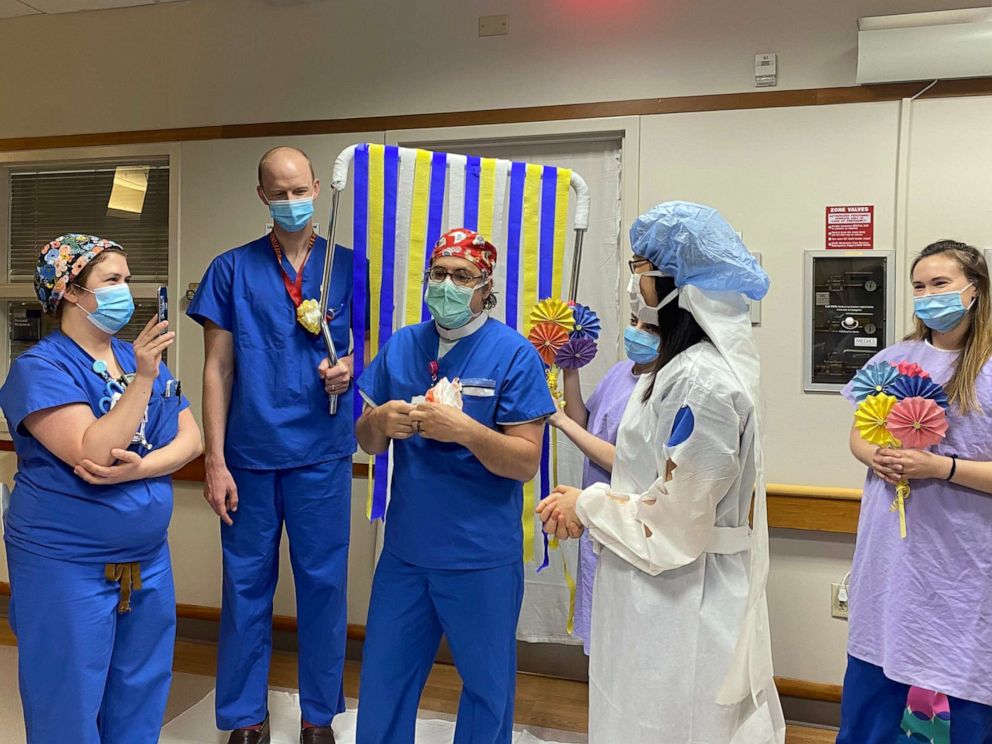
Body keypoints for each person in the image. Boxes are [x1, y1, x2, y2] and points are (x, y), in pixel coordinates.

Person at [537, 201, 785, 743]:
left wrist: (586, 505)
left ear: (678, 280)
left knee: (672, 724)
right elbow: (649, 480)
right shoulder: (670, 374)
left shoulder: (704, 383)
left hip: (684, 600)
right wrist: (597, 511)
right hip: (652, 590)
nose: (634, 283)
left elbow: (675, 521)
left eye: (641, 267)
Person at [354, 228, 556, 744]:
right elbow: (367, 441)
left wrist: (464, 430)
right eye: (438, 273)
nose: (447, 284)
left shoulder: (513, 354)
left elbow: (526, 462)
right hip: (406, 552)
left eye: (462, 276)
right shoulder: (405, 344)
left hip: (480, 556)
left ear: (486, 288)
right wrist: (380, 424)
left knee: (487, 690)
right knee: (383, 682)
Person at [0, 234, 201, 743]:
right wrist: (142, 381)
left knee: (139, 698)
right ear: (70, 291)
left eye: (127, 280)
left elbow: (191, 439)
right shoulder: (40, 368)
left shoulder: (136, 357)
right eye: (111, 280)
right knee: (67, 703)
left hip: (147, 562)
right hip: (66, 565)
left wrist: (140, 469)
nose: (125, 291)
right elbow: (93, 450)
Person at [187, 146, 355, 744]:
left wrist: (349, 368)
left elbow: (373, 352)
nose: (291, 202)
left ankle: (317, 718)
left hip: (322, 455)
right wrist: (214, 460)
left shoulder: (347, 267)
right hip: (250, 458)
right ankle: (243, 718)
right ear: (262, 196)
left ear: (316, 185)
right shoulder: (230, 269)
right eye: (278, 193)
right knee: (244, 588)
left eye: (298, 189)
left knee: (324, 587)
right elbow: (217, 371)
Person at [836, 240, 992, 744]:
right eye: (919, 287)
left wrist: (941, 467)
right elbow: (862, 432)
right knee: (878, 680)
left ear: (975, 290)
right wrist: (874, 456)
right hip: (893, 561)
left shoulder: (986, 368)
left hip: (964, 566)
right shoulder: (894, 360)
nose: (927, 296)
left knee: (958, 691)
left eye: (940, 284)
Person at [548, 329, 646, 653]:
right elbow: (585, 421)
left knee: (626, 641)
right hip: (597, 522)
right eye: (633, 321)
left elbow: (627, 462)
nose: (636, 330)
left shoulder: (661, 387)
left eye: (646, 324)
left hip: (629, 522)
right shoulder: (622, 371)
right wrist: (570, 371)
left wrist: (561, 421)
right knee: (601, 640)